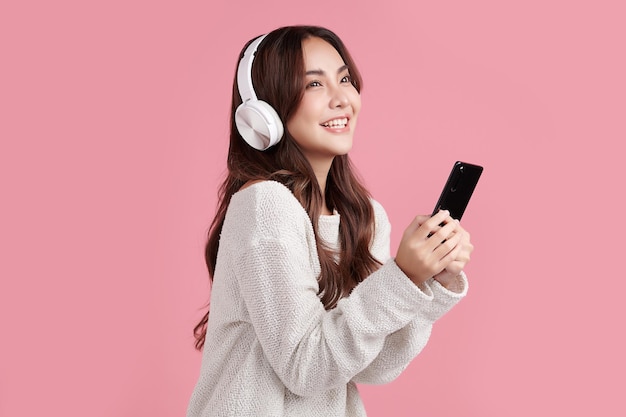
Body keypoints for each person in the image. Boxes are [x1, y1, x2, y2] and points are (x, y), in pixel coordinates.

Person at [186, 25, 473, 417]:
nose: (342, 99)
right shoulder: (264, 205)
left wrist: (424, 283)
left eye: (344, 79)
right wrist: (402, 276)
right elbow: (306, 367)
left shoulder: (364, 216)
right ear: (264, 112)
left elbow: (372, 364)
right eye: (314, 85)